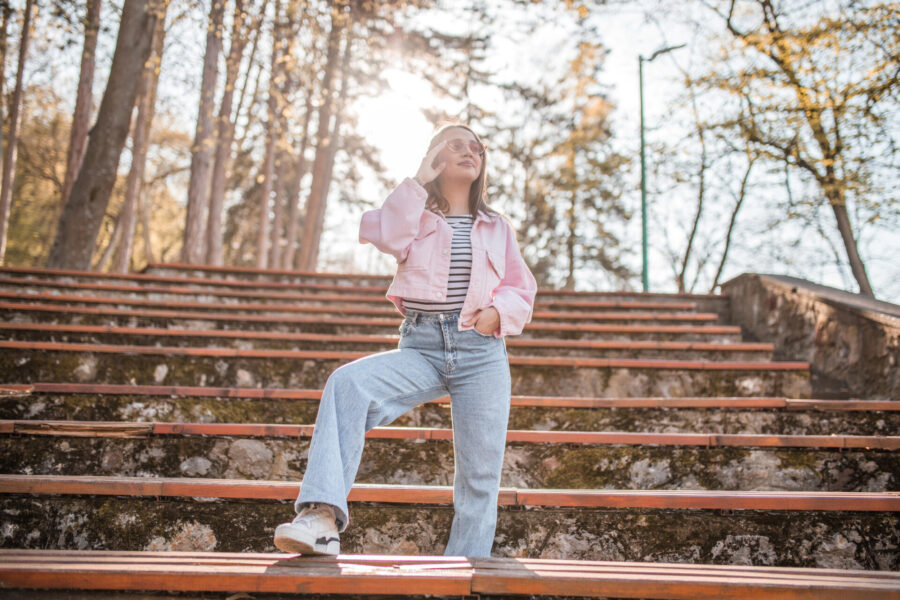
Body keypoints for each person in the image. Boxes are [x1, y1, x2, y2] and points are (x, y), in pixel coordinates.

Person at [273, 122, 538, 558]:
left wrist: (498, 313)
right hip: (422, 346)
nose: (470, 151)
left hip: (481, 353)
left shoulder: (496, 226)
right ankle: (320, 519)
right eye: (456, 144)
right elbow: (389, 235)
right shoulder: (414, 213)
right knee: (347, 383)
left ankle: (463, 569)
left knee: (480, 475)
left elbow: (520, 286)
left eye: (477, 147)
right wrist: (417, 181)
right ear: (434, 155)